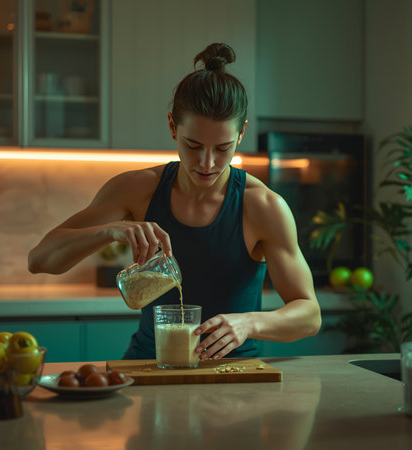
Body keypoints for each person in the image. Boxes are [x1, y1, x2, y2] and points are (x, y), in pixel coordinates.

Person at [28, 43, 321, 360]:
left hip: (234, 380)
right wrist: (109, 230)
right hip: (149, 367)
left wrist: (250, 323)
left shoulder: (262, 206)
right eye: (193, 145)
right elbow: (40, 260)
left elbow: (309, 315)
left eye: (223, 148)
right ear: (172, 126)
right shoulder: (136, 189)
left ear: (241, 135)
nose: (207, 163)